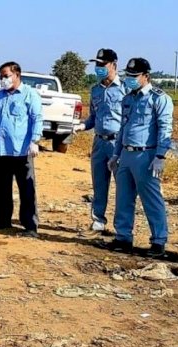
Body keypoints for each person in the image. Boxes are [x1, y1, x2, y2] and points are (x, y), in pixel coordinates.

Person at [107, 57, 173, 258]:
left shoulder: (159, 98)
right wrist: (116, 154)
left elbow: (165, 128)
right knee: (123, 198)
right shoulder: (128, 98)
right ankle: (123, 238)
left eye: (135, 76)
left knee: (152, 200)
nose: (131, 79)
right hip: (126, 154)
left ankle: (158, 241)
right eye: (129, 76)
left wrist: (160, 155)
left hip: (147, 155)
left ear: (146, 76)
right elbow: (122, 128)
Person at [0, 61, 43, 237]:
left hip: (22, 151)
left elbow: (37, 119)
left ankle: (30, 226)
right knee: (2, 188)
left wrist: (35, 140)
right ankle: (3, 220)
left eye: (6, 76)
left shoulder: (29, 95)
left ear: (17, 75)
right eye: (1, 76)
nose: (3, 79)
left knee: (26, 190)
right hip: (2, 151)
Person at [74, 49, 127, 234]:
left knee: (123, 187)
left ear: (113, 65)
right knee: (99, 183)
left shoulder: (126, 88)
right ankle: (98, 220)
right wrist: (82, 126)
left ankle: (122, 227)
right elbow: (93, 117)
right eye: (96, 65)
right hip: (99, 143)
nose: (98, 68)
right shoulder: (95, 89)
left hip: (118, 144)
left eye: (102, 64)